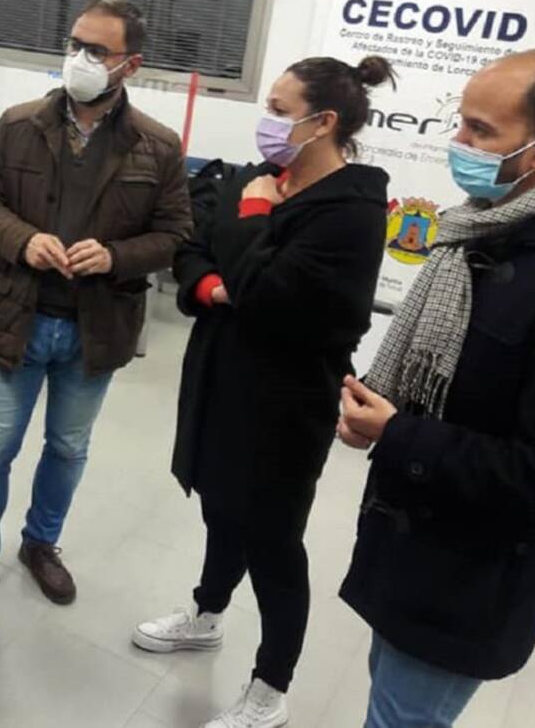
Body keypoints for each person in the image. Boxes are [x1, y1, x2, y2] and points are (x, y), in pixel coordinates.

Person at [336, 49, 535, 728]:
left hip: (472, 581)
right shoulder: (479, 232)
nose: (456, 142)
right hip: (409, 550)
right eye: (460, 122)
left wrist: (398, 434)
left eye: (479, 130)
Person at [134, 57, 394, 728]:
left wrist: (251, 226)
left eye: (280, 109)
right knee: (220, 510)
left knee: (274, 543)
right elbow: (192, 247)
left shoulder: (352, 212)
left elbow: (276, 298)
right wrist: (215, 286)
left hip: (286, 403)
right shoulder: (259, 178)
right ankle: (207, 613)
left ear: (324, 122)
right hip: (221, 378)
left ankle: (271, 686)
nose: (267, 121)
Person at [0, 0, 192, 606]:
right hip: (15, 316)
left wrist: (116, 256)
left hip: (94, 328)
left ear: (130, 65)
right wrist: (22, 240)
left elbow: (176, 235)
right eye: (75, 44)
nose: (79, 58)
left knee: (67, 448)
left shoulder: (158, 146)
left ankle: (41, 544)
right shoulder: (18, 124)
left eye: (97, 50)